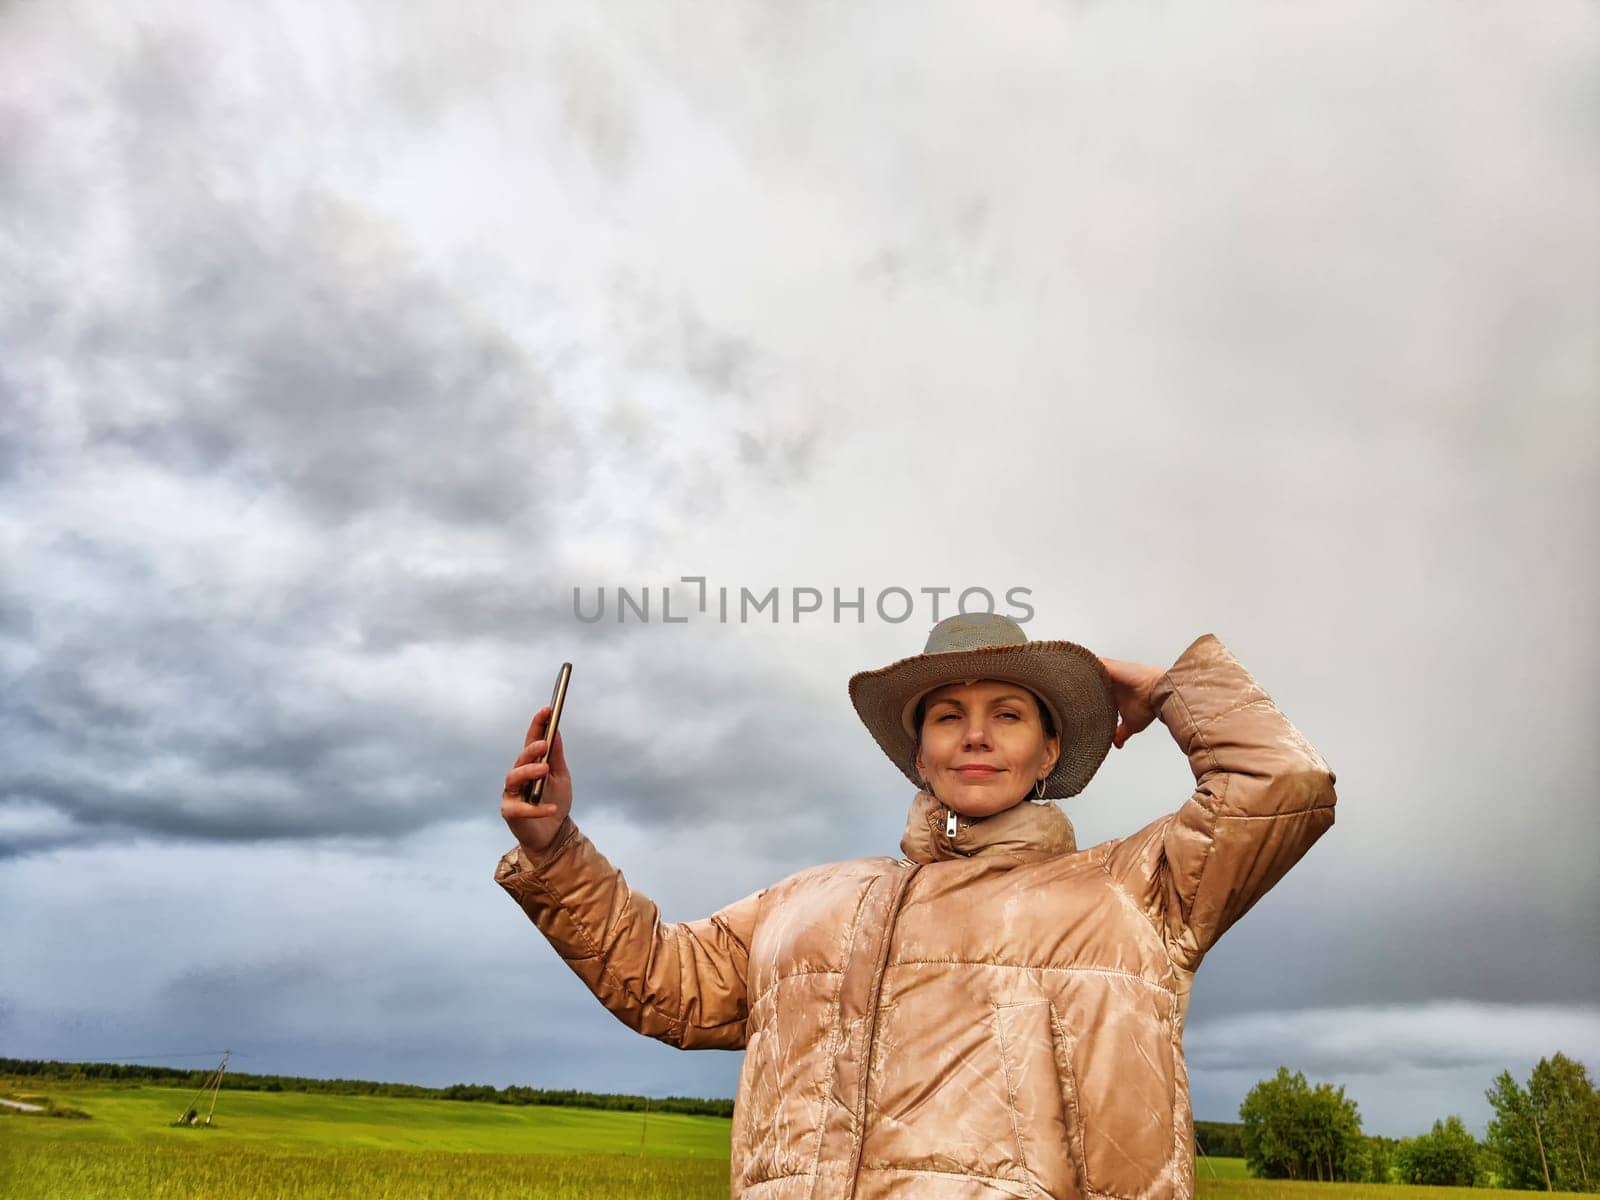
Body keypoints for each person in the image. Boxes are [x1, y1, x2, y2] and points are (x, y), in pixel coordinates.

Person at [496, 614, 1336, 1200]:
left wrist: (1159, 685)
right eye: (949, 716)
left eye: (1009, 713)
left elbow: (1281, 784)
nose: (976, 735)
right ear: (919, 754)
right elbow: (660, 979)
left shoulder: (1133, 890)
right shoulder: (813, 903)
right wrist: (553, 848)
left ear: (1051, 749)